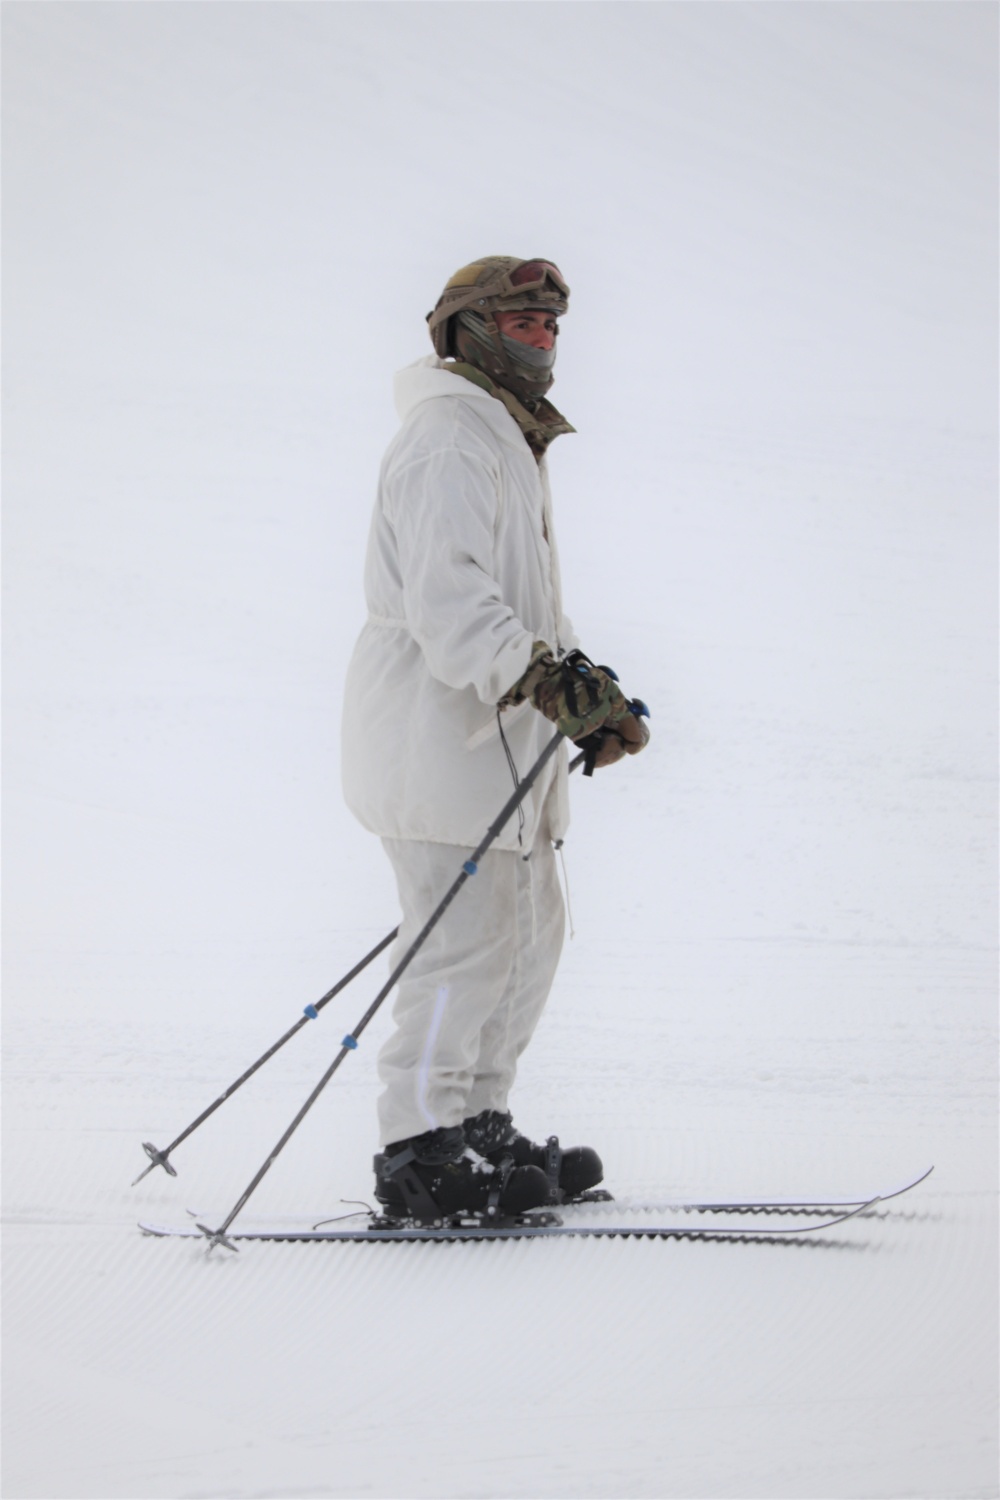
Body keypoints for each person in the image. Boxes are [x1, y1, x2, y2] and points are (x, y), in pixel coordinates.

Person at [341, 256, 649, 1220]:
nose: (544, 338)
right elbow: (451, 604)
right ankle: (416, 1148)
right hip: (441, 745)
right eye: (522, 323)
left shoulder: (503, 439)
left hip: (499, 746)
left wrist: (580, 693)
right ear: (466, 332)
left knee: (528, 939)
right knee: (460, 950)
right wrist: (551, 683)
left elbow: (509, 604)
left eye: (552, 326)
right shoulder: (447, 438)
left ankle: (476, 1123)